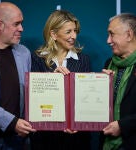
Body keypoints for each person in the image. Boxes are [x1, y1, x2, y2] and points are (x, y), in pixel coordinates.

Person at [30, 10, 91, 150]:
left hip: (76, 138)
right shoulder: (36, 59)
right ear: (53, 34)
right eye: (68, 32)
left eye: (75, 31)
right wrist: (53, 78)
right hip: (45, 137)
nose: (73, 36)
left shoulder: (83, 60)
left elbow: (85, 99)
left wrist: (77, 124)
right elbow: (34, 98)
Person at [0, 2, 36, 150]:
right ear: (0, 25)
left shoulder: (24, 53)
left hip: (18, 139)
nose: (21, 29)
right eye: (16, 24)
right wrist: (13, 122)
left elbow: (32, 91)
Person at [100, 13, 136, 150]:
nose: (108, 40)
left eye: (112, 34)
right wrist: (99, 85)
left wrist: (123, 125)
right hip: (106, 142)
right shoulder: (109, 63)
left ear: (129, 35)